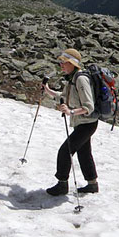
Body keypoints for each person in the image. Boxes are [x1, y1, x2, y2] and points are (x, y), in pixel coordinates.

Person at [42, 48, 99, 196]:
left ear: (73, 64)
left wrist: (71, 112)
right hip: (84, 123)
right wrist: (48, 91)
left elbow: (89, 106)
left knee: (65, 151)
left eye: (64, 62)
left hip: (87, 123)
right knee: (84, 152)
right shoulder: (72, 78)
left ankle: (62, 184)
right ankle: (92, 184)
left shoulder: (80, 79)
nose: (61, 65)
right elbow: (64, 96)